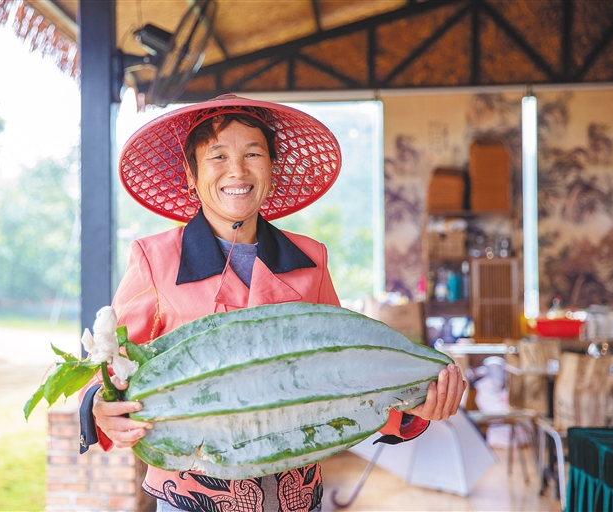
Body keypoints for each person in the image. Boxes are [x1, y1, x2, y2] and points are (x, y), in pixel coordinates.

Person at [79, 95, 466, 512]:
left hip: (296, 500)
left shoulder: (311, 260)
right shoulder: (154, 260)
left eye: (253, 154)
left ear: (272, 168)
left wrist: (416, 406)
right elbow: (108, 369)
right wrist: (100, 404)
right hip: (192, 501)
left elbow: (347, 374)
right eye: (217, 156)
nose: (237, 170)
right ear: (191, 174)